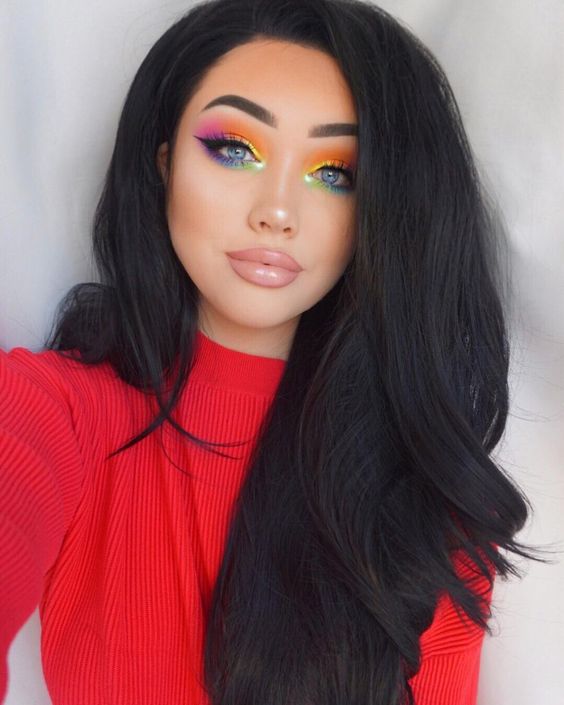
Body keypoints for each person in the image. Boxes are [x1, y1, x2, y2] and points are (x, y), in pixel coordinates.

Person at [0, 0, 546, 703]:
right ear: (164, 163)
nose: (278, 211)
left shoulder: (424, 504)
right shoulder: (50, 412)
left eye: (335, 173)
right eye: (235, 149)